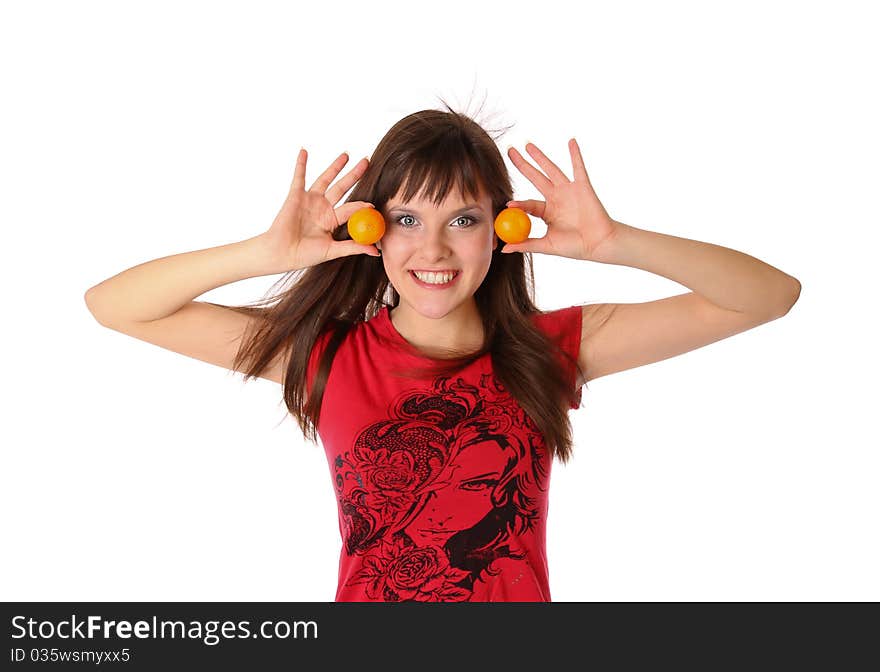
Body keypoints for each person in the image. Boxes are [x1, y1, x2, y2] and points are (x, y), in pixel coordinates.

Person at [84, 102, 801, 602]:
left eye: (462, 218)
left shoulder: (554, 350)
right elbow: (114, 306)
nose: (433, 249)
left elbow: (768, 296)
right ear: (371, 231)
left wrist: (620, 244)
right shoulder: (327, 357)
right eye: (406, 219)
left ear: (502, 226)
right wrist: (263, 252)